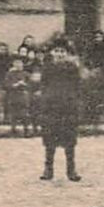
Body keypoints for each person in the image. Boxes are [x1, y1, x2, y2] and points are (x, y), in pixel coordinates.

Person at [37, 41, 83, 182]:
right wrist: (46, 102)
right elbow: (43, 86)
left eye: (63, 51)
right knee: (50, 139)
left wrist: (75, 102)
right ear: (52, 53)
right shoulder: (47, 68)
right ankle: (48, 169)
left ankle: (71, 170)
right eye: (57, 51)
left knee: (69, 139)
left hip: (68, 108)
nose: (60, 54)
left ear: (67, 54)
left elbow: (77, 87)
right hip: (51, 108)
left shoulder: (72, 68)